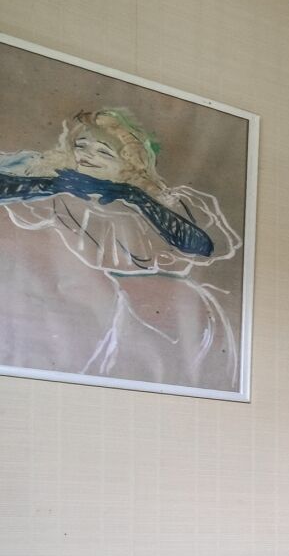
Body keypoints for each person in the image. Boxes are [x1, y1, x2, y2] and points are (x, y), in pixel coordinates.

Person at [0, 108, 242, 392]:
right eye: (81, 146)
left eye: (104, 152)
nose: (87, 155)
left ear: (129, 163)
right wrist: (52, 184)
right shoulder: (57, 190)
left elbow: (202, 245)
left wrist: (138, 199)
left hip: (162, 310)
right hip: (84, 304)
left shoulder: (156, 202)